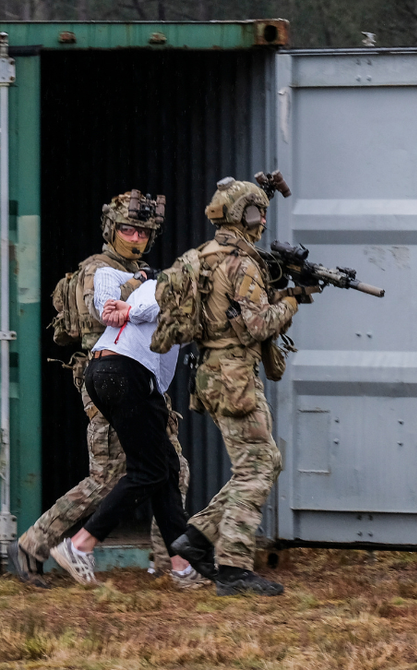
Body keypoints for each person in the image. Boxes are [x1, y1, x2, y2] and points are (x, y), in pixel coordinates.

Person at [7, 192, 197, 589]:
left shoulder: (139, 272)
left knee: (170, 470)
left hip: (140, 381)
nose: (136, 237)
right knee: (108, 478)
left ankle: (175, 565)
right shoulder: (100, 269)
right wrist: (149, 286)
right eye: (128, 229)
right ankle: (33, 544)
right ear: (111, 231)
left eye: (144, 231)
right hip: (111, 385)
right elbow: (101, 309)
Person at [169, 178, 298, 597]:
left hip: (211, 372)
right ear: (248, 215)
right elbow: (256, 325)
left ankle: (197, 538)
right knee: (258, 466)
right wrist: (291, 302)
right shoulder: (242, 264)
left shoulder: (204, 255)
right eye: (258, 213)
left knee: (264, 462)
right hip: (234, 374)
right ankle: (233, 567)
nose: (261, 222)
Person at [50, 268, 213, 587]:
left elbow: (105, 274)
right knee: (148, 471)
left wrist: (121, 291)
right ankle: (79, 545)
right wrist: (128, 309)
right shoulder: (174, 291)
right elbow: (162, 304)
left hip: (104, 371)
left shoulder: (148, 285)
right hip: (125, 372)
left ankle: (182, 567)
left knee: (164, 467)